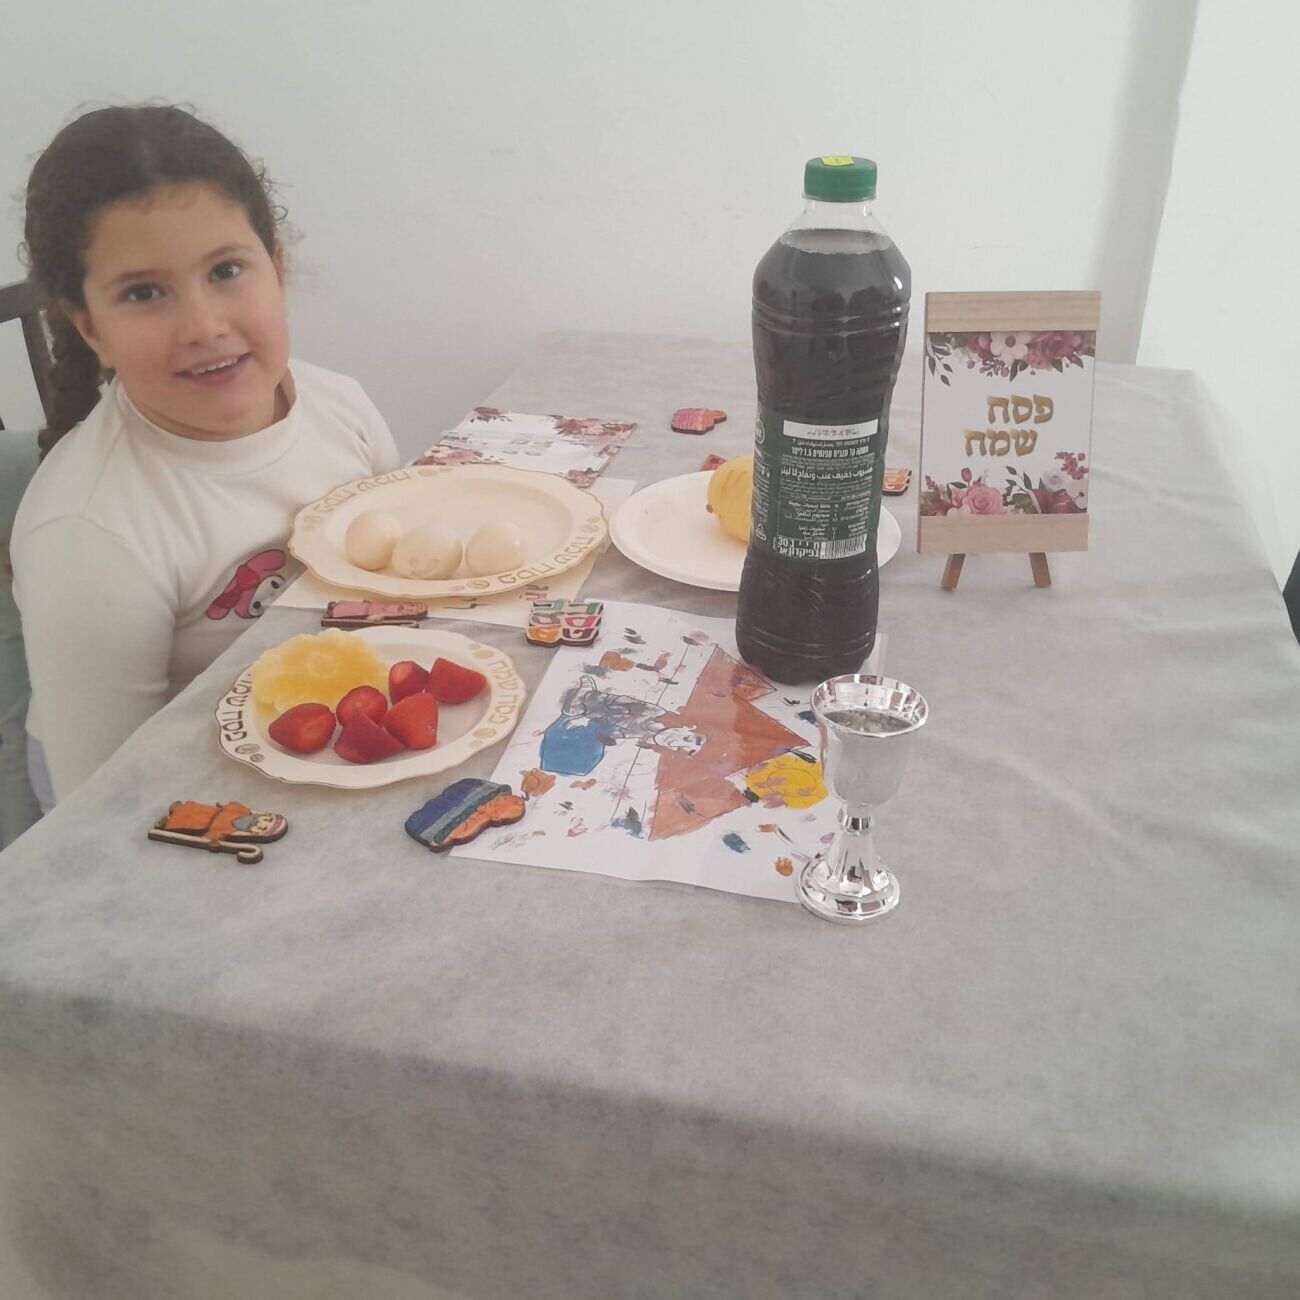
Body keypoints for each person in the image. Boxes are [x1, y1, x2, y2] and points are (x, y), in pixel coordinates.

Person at [10, 105, 401, 807]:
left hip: (317, 727)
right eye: (144, 292)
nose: (203, 326)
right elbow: (102, 811)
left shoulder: (341, 407)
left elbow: (396, 599)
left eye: (225, 270)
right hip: (166, 792)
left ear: (278, 269)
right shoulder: (88, 535)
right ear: (89, 326)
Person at [539, 674, 707, 778]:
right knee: (613, 707)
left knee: (583, 759)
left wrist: (608, 736)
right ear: (687, 727)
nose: (676, 744)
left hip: (597, 723)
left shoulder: (647, 737)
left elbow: (622, 733)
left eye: (682, 749)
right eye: (687, 739)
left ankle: (582, 706)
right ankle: (585, 699)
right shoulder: (656, 714)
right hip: (601, 710)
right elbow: (622, 703)